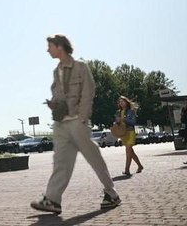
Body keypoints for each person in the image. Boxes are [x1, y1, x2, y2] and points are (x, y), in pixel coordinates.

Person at [31, 34, 120, 214]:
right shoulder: (56, 71)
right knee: (60, 162)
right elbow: (60, 95)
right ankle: (53, 199)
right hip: (61, 123)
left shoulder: (80, 66)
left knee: (94, 159)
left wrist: (83, 117)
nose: (47, 50)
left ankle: (112, 194)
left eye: (50, 46)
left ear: (60, 46)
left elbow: (88, 91)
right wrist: (54, 103)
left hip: (77, 122)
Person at [116, 96, 144, 175]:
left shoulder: (131, 111)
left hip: (130, 132)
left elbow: (133, 122)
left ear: (126, 102)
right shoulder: (118, 112)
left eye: (123, 101)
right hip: (123, 133)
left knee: (128, 151)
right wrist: (117, 122)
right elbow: (117, 123)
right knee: (130, 152)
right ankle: (140, 166)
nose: (121, 103)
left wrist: (124, 119)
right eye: (120, 102)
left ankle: (127, 170)